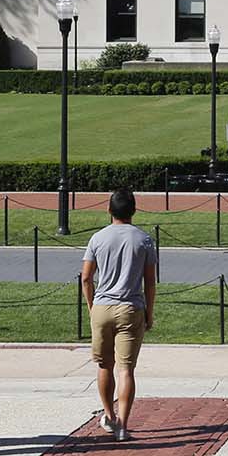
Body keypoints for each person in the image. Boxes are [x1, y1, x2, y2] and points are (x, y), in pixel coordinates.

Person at [82, 189, 157, 442]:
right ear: (134, 210)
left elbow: (86, 277)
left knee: (104, 365)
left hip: (102, 307)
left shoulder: (98, 238)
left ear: (109, 210)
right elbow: (150, 282)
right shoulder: (144, 240)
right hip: (131, 307)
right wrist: (150, 312)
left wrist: (92, 306)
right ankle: (123, 425)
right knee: (126, 370)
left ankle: (109, 415)